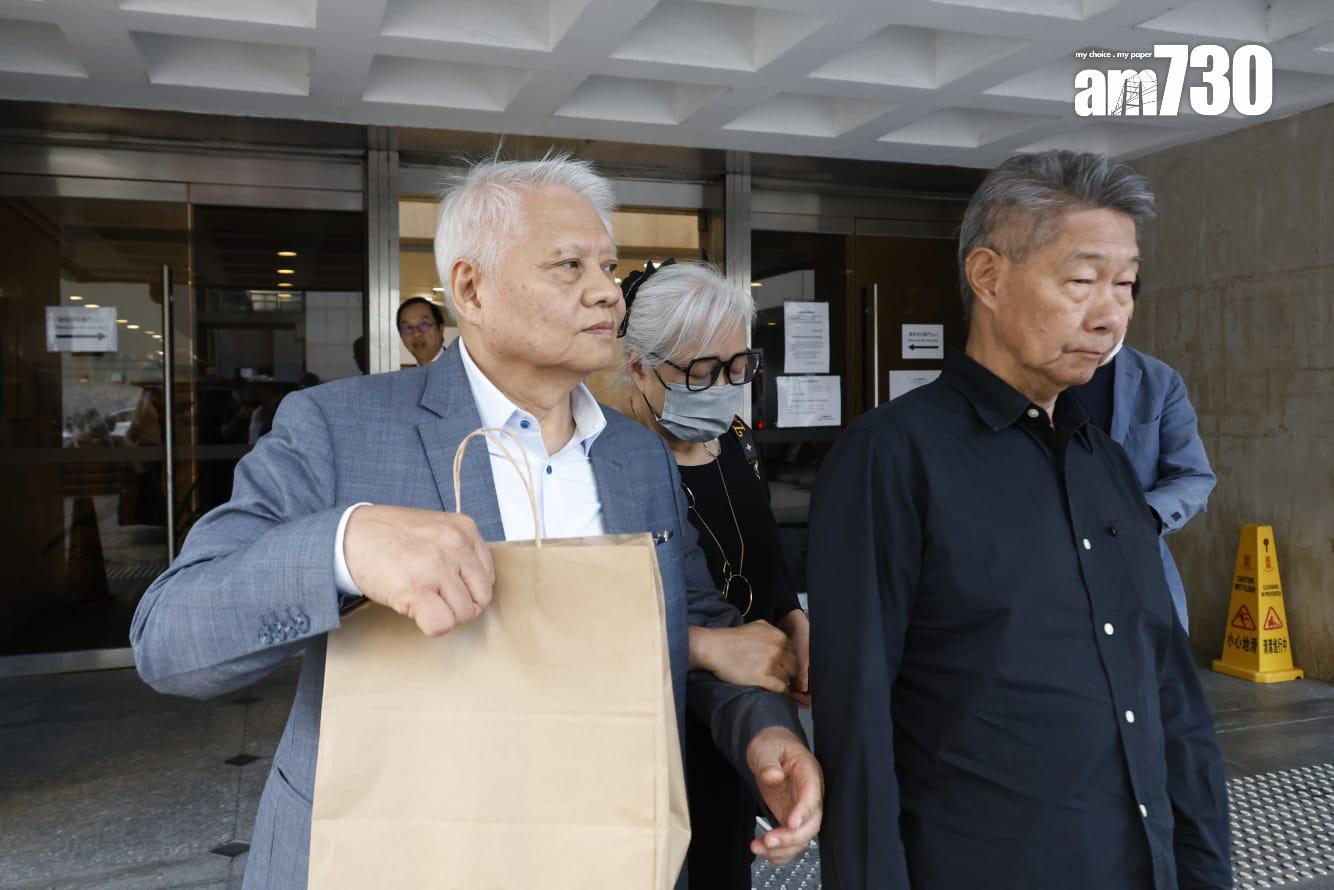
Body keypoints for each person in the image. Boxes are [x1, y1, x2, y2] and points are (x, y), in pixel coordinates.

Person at [130, 155, 821, 890]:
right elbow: (170, 640)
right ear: (471, 289)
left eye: (609, 267)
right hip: (390, 854)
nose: (606, 292)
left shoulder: (635, 457)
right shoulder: (338, 428)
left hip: (608, 842)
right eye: (569, 265)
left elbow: (695, 624)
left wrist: (764, 734)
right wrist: (343, 545)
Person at [809, 150, 1231, 889]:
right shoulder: (891, 456)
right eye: (1081, 281)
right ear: (988, 276)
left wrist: (1203, 868)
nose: (1111, 315)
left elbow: (1170, 694)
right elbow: (856, 728)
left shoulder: (1103, 460)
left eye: (1126, 284)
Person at [616, 259, 811, 888]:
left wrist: (793, 618)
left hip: (745, 707)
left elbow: (762, 549)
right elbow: (593, 617)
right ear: (639, 366)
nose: (724, 388)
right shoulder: (614, 461)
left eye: (738, 366)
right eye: (701, 373)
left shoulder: (735, 439)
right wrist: (708, 646)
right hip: (660, 720)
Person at [1070, 280, 1216, 632]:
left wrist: (1145, 516)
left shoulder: (1158, 380)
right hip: (1054, 570)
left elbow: (1194, 476)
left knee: (1152, 661)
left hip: (1138, 568)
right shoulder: (1033, 379)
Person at [396, 296, 446, 365]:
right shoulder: (408, 372)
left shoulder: (460, 366)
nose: (416, 333)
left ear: (440, 329)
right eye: (408, 328)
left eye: (424, 324)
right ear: (401, 336)